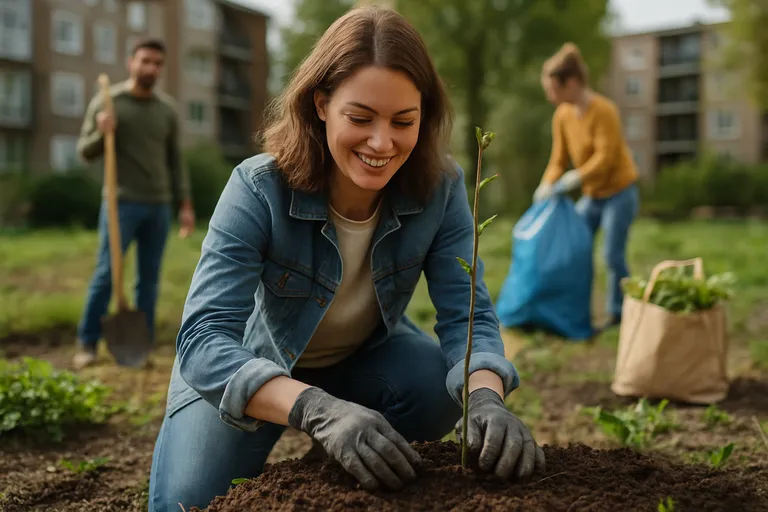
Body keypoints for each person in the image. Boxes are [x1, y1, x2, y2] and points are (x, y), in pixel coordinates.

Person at [148, 6, 545, 512]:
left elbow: (467, 316)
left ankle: (339, 456)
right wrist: (316, 409)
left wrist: (487, 395)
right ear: (320, 104)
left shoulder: (440, 189)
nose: (382, 143)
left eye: (404, 121)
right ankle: (324, 425)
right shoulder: (258, 187)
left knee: (434, 387)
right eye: (360, 118)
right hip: (251, 367)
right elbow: (203, 341)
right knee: (187, 503)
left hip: (361, 358)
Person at [74, 38, 195, 369]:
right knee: (106, 273)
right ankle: (87, 343)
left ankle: (141, 347)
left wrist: (184, 204)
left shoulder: (166, 110)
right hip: (120, 203)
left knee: (149, 279)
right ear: (131, 63)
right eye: (145, 61)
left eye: (157, 63)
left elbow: (176, 161)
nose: (151, 68)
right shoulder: (109, 101)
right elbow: (84, 152)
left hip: (158, 205)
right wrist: (102, 132)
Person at [533, 42, 640, 330]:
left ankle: (620, 313)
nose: (550, 95)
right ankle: (576, 310)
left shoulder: (604, 111)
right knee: (575, 249)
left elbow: (607, 156)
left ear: (572, 83)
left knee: (612, 255)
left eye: (553, 88)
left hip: (620, 192)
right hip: (592, 196)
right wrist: (547, 183)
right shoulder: (563, 116)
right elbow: (558, 159)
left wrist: (576, 177)